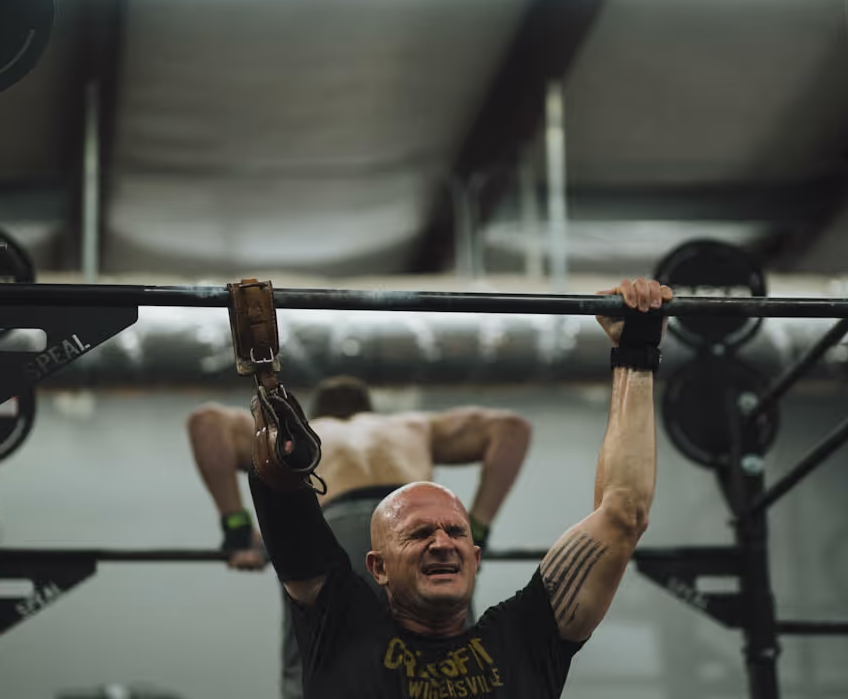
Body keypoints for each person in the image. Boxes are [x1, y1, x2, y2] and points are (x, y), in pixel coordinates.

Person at [247, 277, 671, 698]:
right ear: (378, 568)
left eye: (456, 531)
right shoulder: (343, 633)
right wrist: (266, 381)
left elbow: (623, 513)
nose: (442, 543)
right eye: (418, 534)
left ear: (476, 556)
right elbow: (285, 503)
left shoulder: (522, 640)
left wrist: (635, 352)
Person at [186, 375, 533, 699]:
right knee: (444, 641)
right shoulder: (409, 426)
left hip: (337, 529)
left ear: (316, 410)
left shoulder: (309, 431)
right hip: (412, 526)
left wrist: (237, 530)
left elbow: (205, 423)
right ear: (370, 409)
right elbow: (512, 429)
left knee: (318, 645)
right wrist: (476, 529)